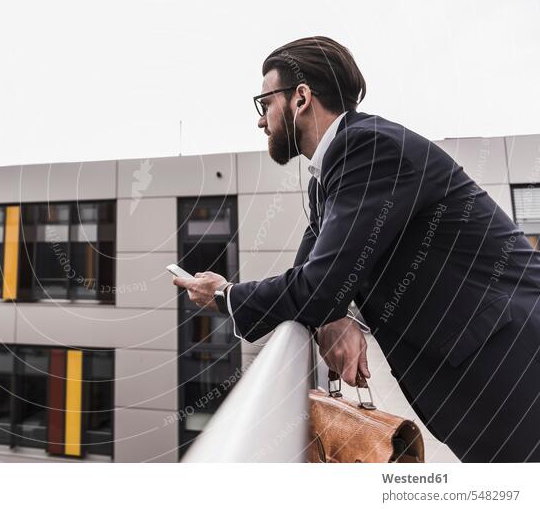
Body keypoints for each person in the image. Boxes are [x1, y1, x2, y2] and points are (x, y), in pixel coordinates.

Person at [173, 36, 540, 462]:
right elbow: (318, 280)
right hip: (488, 374)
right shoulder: (326, 178)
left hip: (515, 358)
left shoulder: (367, 147)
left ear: (301, 98)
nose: (260, 121)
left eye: (264, 102)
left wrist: (224, 295)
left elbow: (318, 285)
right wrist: (331, 313)